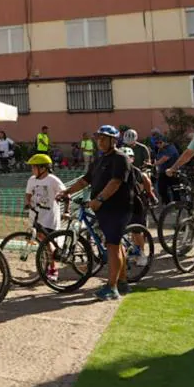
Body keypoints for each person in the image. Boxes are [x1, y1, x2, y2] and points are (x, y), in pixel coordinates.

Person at [60, 125, 132, 300]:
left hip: (118, 208)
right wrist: (66, 192)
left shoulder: (120, 158)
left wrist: (99, 199)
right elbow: (85, 181)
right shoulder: (99, 160)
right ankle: (122, 282)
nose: (99, 141)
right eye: (98, 138)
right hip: (104, 209)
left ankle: (112, 287)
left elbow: (115, 182)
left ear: (113, 140)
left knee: (112, 246)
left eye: (103, 138)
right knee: (116, 245)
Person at [24, 152, 65, 281]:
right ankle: (45, 265)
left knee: (47, 242)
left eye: (34, 167)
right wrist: (27, 203)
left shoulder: (52, 180)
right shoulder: (32, 180)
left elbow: (65, 193)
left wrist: (67, 210)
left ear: (43, 168)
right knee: (40, 240)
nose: (32, 169)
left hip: (49, 216)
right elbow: (28, 194)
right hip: (36, 215)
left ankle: (53, 269)